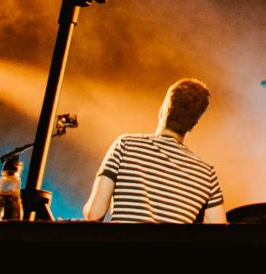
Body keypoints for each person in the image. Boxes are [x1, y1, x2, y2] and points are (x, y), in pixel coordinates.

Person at [83, 79, 225, 223]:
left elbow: (94, 214)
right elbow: (220, 236)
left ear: (162, 110)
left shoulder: (125, 145)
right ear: (194, 124)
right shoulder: (206, 173)